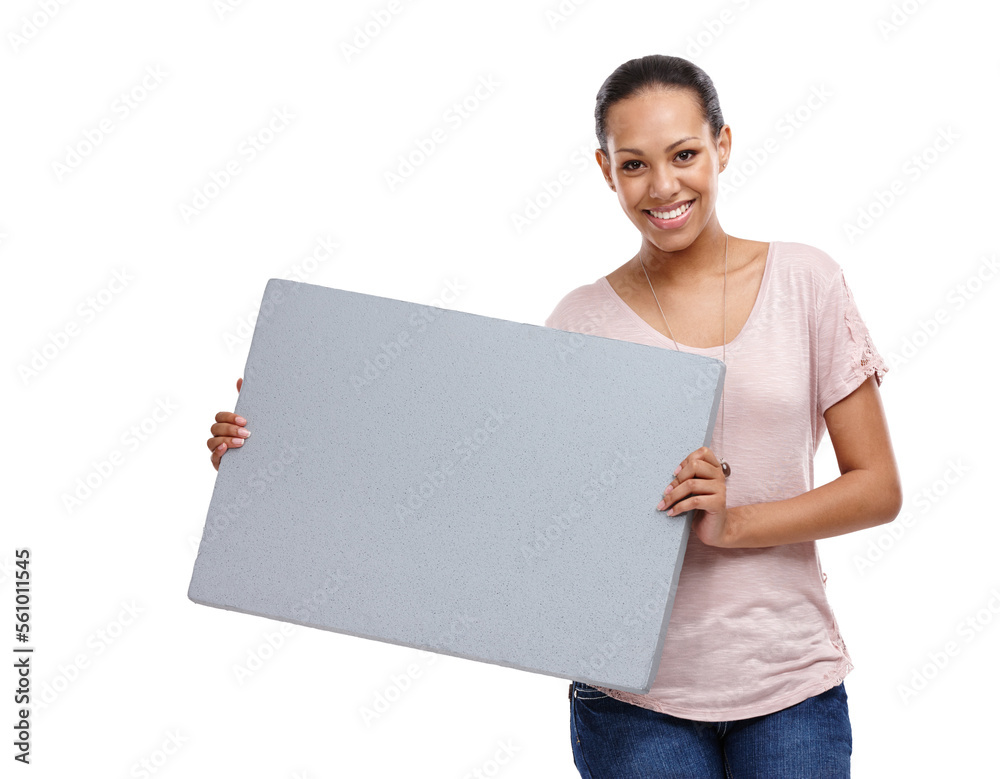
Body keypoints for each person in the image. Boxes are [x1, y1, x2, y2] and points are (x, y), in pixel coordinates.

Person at [545, 54, 902, 778]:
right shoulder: (579, 322)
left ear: (723, 146)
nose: (664, 185)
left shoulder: (807, 282)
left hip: (789, 682)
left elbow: (877, 486)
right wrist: (275, 432)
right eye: (635, 164)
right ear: (605, 170)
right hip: (630, 696)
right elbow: (519, 502)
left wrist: (732, 522)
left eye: (683, 154)